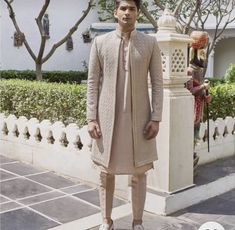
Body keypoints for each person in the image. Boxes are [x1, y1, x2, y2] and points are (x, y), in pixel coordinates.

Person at [86, 0, 163, 229]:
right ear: (115, 12)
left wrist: (156, 117)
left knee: (139, 173)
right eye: (123, 8)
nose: (127, 12)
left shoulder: (149, 43)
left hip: (139, 120)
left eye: (132, 8)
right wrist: (91, 117)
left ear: (138, 13)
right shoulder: (100, 43)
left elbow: (158, 83)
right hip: (107, 120)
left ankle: (137, 222)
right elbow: (92, 83)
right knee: (105, 173)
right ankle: (106, 220)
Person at [186, 31, 211, 173]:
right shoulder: (190, 70)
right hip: (192, 108)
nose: (203, 56)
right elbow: (190, 90)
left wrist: (207, 94)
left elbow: (200, 90)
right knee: (191, 135)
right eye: (201, 52)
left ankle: (192, 158)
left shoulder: (199, 70)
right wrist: (203, 87)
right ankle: (188, 159)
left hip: (199, 107)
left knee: (196, 135)